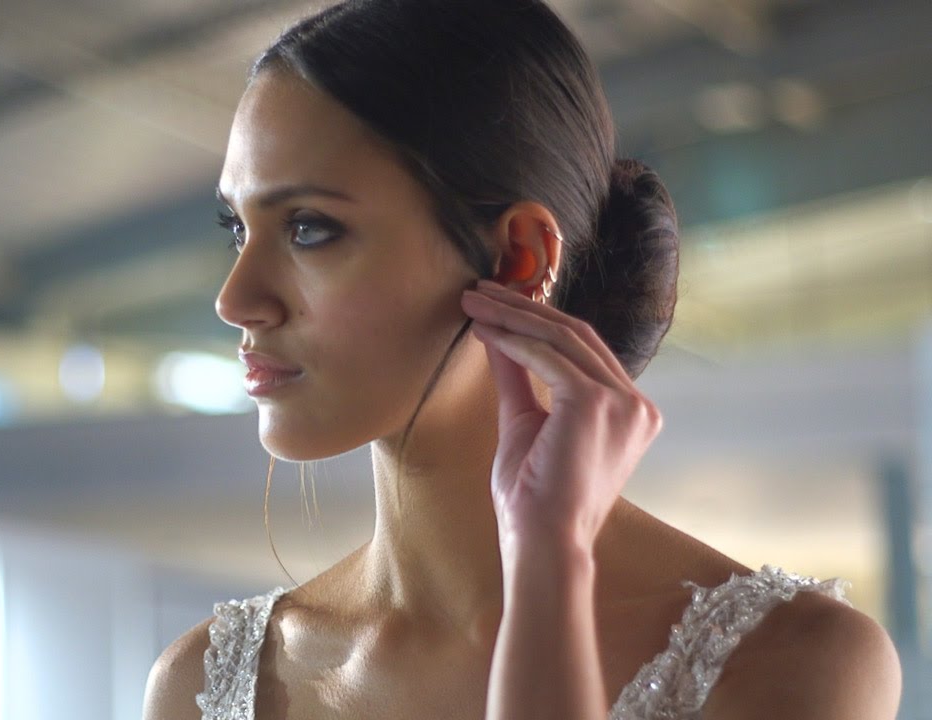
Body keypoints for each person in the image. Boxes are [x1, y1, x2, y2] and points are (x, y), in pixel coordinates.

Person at [143, 0, 902, 718]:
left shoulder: (793, 664)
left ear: (518, 257)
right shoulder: (203, 685)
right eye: (238, 230)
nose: (235, 299)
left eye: (309, 228)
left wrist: (549, 562)